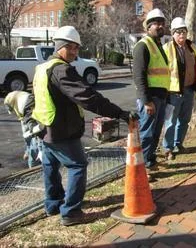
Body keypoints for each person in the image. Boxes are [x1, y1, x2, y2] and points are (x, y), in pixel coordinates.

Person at [32, 25, 136, 226]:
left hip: (46, 129)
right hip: (62, 131)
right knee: (78, 165)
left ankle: (53, 205)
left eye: (77, 48)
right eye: (70, 47)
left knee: (50, 167)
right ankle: (70, 212)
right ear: (59, 47)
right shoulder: (61, 70)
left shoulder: (42, 68)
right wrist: (119, 113)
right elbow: (89, 98)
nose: (75, 52)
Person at [162, 17, 196, 160]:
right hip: (173, 92)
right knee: (170, 122)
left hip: (189, 90)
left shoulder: (192, 47)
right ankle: (168, 149)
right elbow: (162, 72)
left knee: (185, 120)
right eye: (178, 32)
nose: (181, 35)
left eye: (184, 32)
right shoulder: (166, 49)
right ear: (173, 33)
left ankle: (178, 144)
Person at [133, 8, 170, 168]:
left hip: (160, 97)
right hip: (150, 98)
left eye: (162, 23)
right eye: (156, 23)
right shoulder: (143, 46)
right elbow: (139, 76)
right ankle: (141, 167)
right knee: (146, 134)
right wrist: (147, 101)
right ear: (148, 27)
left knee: (155, 132)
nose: (160, 26)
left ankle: (149, 160)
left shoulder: (158, 45)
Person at [4, 91, 43, 168]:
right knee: (29, 137)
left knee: (34, 150)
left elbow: (35, 129)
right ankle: (30, 154)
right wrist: (27, 150)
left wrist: (40, 148)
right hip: (29, 118)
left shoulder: (23, 104)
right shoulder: (16, 100)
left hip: (35, 124)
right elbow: (25, 132)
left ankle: (33, 167)